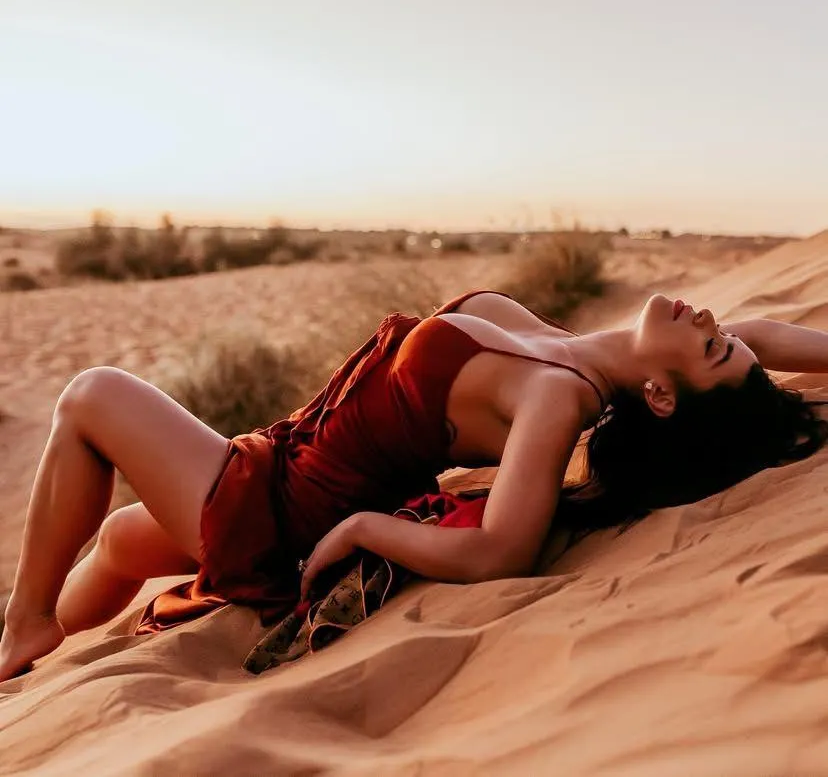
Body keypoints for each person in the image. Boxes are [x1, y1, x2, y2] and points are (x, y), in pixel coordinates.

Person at [1, 290, 826, 682]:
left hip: (286, 503)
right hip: (279, 456)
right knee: (116, 543)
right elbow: (760, 336)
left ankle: (24, 626)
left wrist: (366, 529)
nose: (716, 324)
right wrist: (745, 353)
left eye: (714, 347)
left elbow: (506, 547)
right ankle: (18, 669)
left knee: (92, 395)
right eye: (724, 334)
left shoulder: (555, 396)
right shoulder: (590, 351)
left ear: (662, 395)